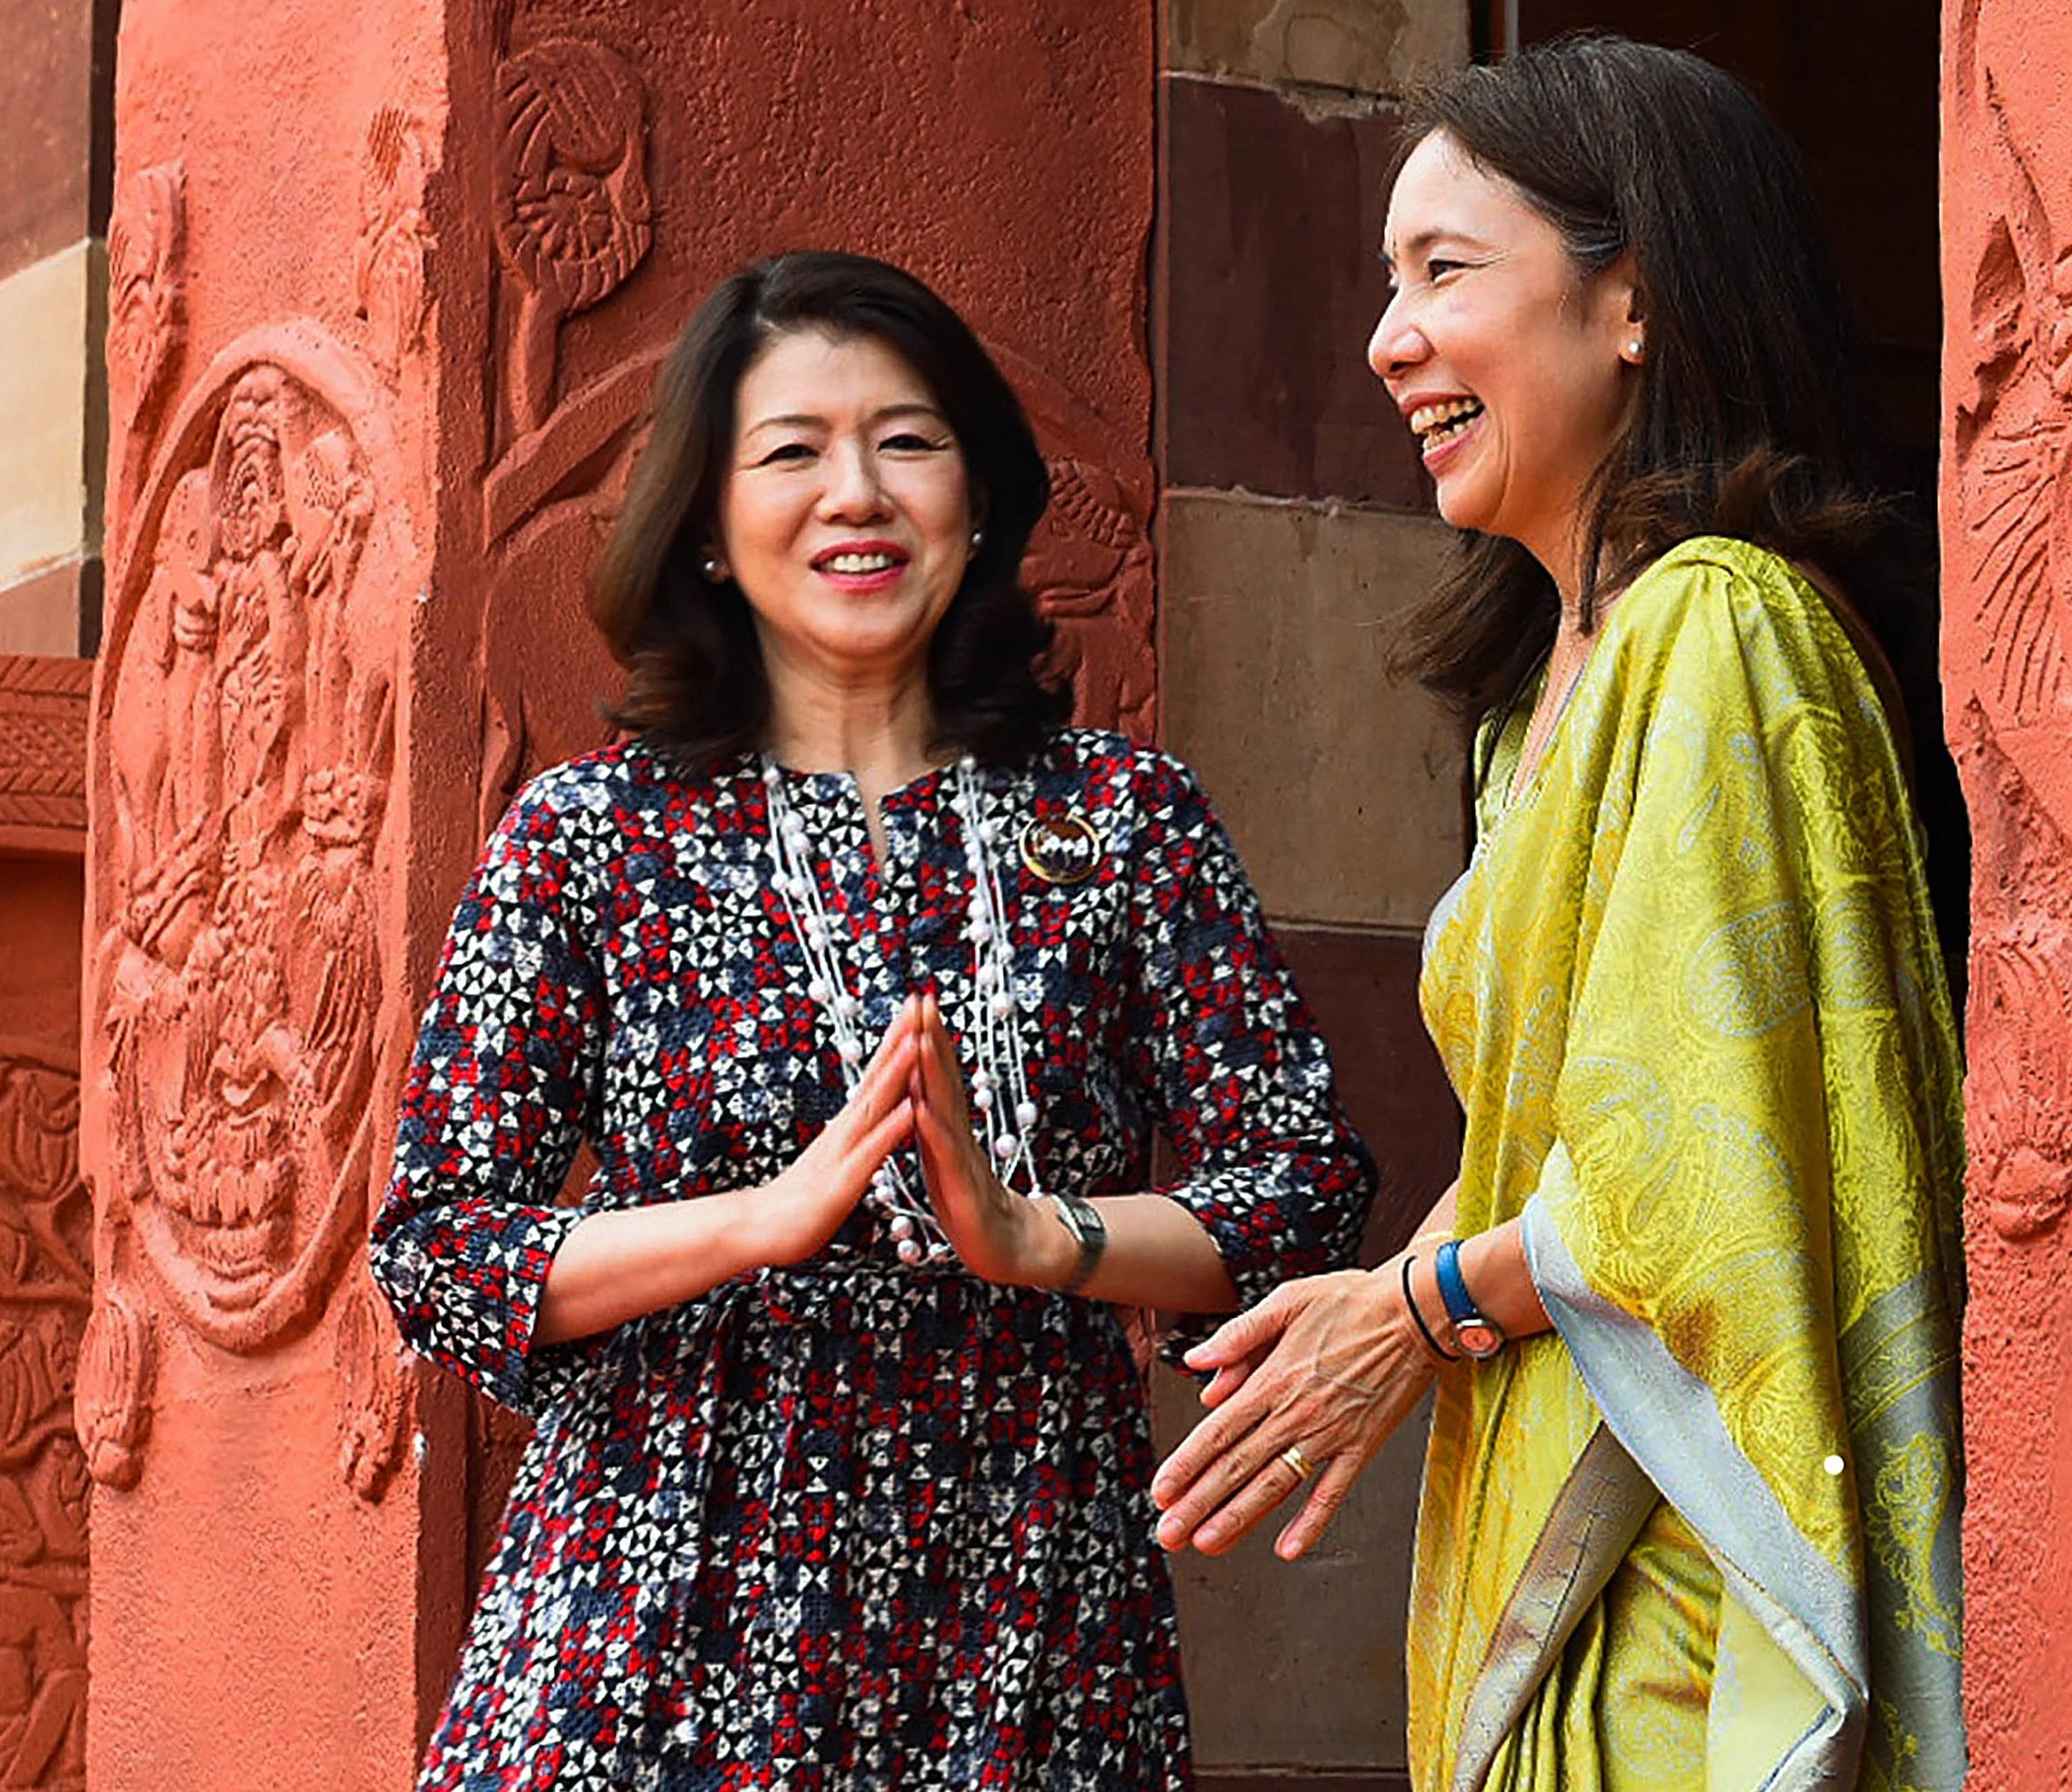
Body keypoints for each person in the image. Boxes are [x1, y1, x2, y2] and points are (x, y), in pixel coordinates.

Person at [374, 249, 1373, 1790]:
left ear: (976, 497)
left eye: (906, 440)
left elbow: (1301, 1184)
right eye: (792, 450)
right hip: (655, 1622)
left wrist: (1050, 1239)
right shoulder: (589, 835)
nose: (857, 491)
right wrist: (760, 1219)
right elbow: (441, 1245)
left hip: (1027, 1623)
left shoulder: (1123, 820)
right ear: (708, 523)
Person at [1149, 37, 1968, 1792]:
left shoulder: (1718, 628)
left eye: (1446, 270)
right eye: (1388, 281)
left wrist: (1427, 1305)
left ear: (1636, 304)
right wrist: (1391, 1294)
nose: (1389, 337)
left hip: (1677, 1565)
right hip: (1552, 1481)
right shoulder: (1538, 713)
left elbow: (1702, 1168)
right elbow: (1561, 1134)